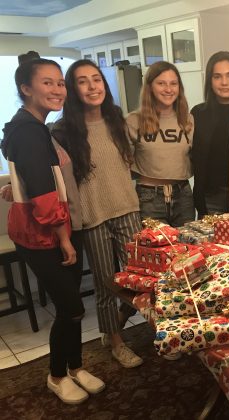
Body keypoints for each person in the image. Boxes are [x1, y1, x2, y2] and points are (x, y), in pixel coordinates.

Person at [1, 53, 104, 404]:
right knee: (72, 307)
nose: (58, 89)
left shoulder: (33, 126)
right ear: (26, 88)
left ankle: (75, 366)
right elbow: (46, 197)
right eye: (47, 83)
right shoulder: (29, 131)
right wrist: (64, 238)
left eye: (60, 83)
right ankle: (57, 375)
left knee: (69, 309)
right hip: (45, 236)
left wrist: (15, 188)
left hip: (57, 229)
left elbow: (34, 176)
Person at [51, 59, 143, 369]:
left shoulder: (117, 120)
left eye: (97, 79)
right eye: (83, 81)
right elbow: (51, 172)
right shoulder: (64, 131)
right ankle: (115, 341)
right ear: (73, 89)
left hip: (127, 209)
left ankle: (117, 322)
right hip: (93, 218)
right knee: (106, 285)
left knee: (139, 280)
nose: (93, 86)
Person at [127, 61, 195, 226]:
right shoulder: (133, 121)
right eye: (161, 83)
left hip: (183, 196)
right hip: (149, 198)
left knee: (187, 243)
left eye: (173, 83)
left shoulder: (187, 120)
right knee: (152, 243)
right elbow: (123, 165)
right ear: (150, 87)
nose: (168, 89)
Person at [191, 51, 229, 217]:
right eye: (217, 77)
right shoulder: (198, 114)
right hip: (211, 198)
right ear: (210, 81)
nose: (224, 82)